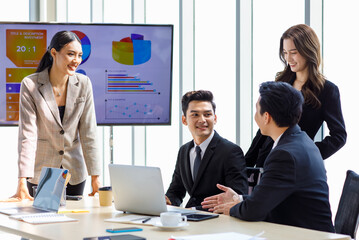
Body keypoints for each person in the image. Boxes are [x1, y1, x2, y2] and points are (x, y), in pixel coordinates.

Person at [201, 81, 335, 233]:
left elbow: (254, 211)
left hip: (305, 235)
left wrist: (233, 208)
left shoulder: (284, 154)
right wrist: (239, 199)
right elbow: (269, 196)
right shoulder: (301, 141)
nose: (254, 116)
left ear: (266, 117)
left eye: (257, 110)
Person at [12, 31, 101, 201]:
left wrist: (95, 177)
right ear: (54, 53)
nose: (76, 60)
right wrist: (22, 179)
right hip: (42, 173)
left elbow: (89, 133)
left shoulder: (84, 84)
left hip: (74, 173)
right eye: (70, 54)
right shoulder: (31, 85)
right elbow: (27, 135)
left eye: (79, 55)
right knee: (42, 222)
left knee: (75, 224)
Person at [246, 24, 346, 168]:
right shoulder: (281, 83)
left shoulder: (327, 90)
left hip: (296, 167)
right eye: (285, 52)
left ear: (308, 50)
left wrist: (308, 153)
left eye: (293, 52)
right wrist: (245, 165)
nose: (288, 59)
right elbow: (263, 127)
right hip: (266, 162)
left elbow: (339, 136)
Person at [165, 90, 248, 209]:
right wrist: (166, 200)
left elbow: (236, 196)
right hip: (191, 219)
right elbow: (176, 191)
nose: (202, 120)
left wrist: (193, 210)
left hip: (217, 220)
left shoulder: (230, 151)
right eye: (195, 115)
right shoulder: (184, 151)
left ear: (215, 118)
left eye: (207, 114)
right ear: (184, 120)